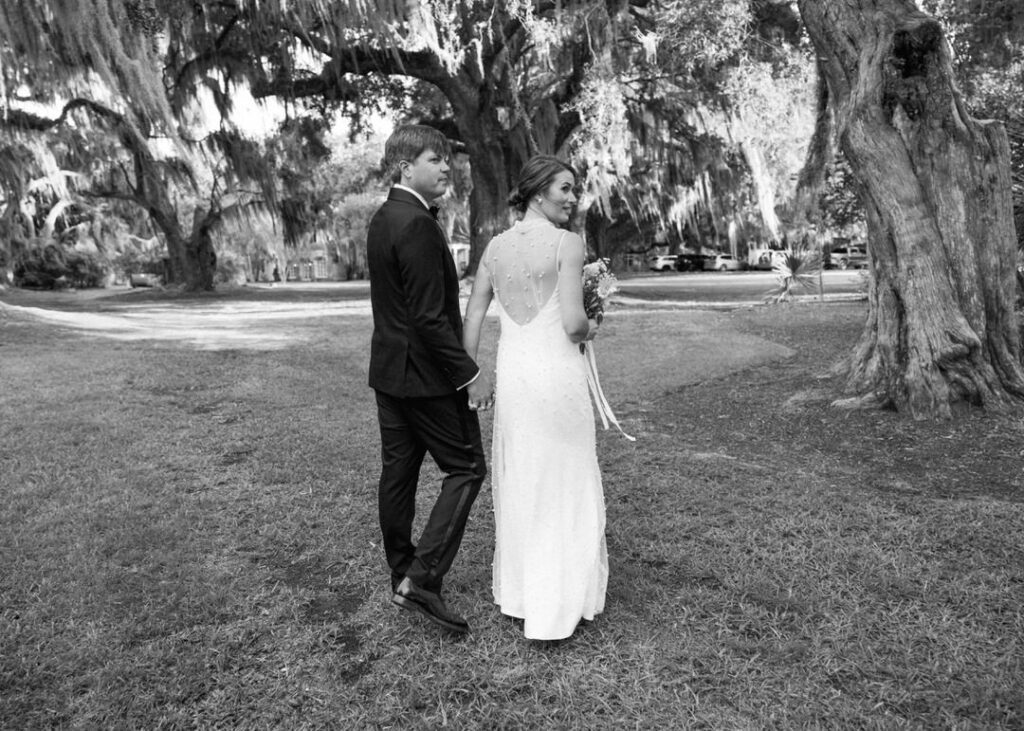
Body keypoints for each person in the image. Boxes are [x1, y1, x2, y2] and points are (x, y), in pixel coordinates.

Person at [462, 155, 608, 641]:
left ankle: (525, 594)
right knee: (564, 476)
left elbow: (473, 318)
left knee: (525, 475)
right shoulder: (569, 244)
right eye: (565, 188)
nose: (572, 198)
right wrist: (594, 321)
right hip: (558, 378)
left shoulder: (494, 248)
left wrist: (473, 374)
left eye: (575, 189)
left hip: (518, 378)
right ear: (538, 190)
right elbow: (571, 324)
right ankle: (559, 600)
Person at [366, 124, 494, 635]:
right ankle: (422, 579)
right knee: (466, 468)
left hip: (390, 377)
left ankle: (402, 570)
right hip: (424, 379)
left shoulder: (384, 217)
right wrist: (471, 376)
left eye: (447, 159)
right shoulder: (415, 223)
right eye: (435, 159)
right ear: (405, 167)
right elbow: (427, 318)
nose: (446, 167)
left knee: (399, 473)